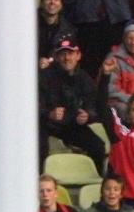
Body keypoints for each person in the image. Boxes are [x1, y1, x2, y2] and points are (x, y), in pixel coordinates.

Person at [38, 36, 108, 171]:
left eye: (70, 53)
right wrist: (49, 114)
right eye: (62, 54)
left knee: (98, 146)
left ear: (78, 55)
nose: (66, 58)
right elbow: (34, 105)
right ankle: (40, 180)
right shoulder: (44, 77)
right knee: (39, 147)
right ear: (56, 57)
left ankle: (98, 180)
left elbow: (94, 105)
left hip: (71, 125)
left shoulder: (84, 78)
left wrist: (87, 116)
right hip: (46, 123)